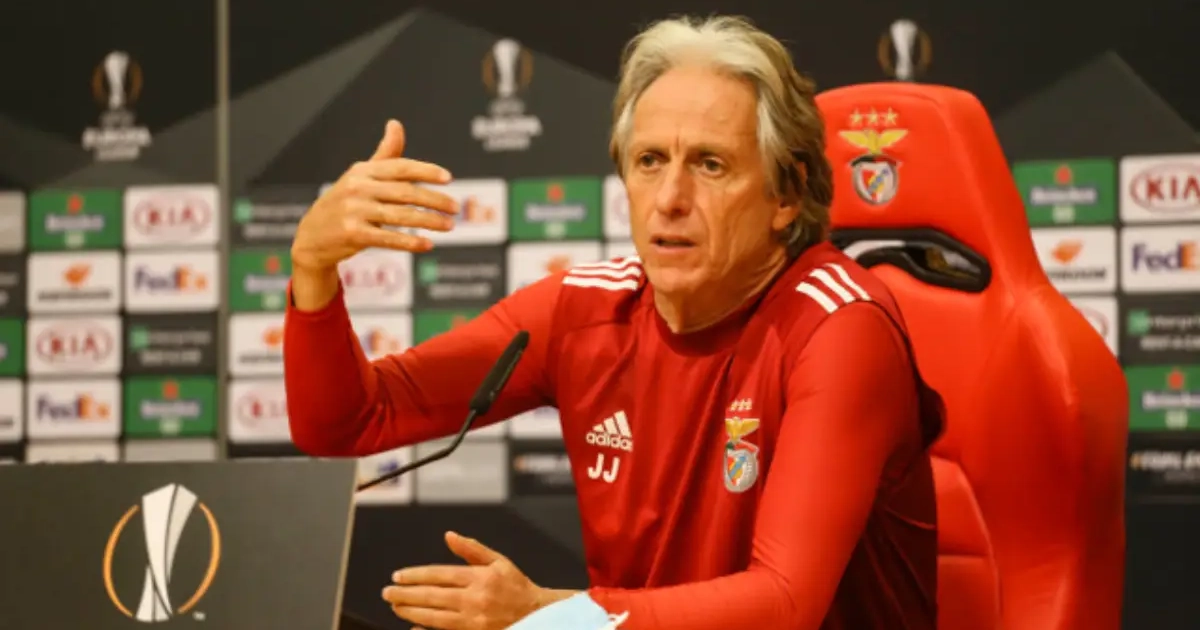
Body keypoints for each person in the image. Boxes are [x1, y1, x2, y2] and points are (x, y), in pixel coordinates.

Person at [284, 14, 943, 630]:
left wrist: (550, 617)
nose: (671, 199)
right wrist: (312, 271)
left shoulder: (839, 329)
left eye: (710, 164)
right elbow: (348, 420)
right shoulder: (584, 312)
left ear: (786, 194)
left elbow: (784, 604)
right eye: (650, 161)